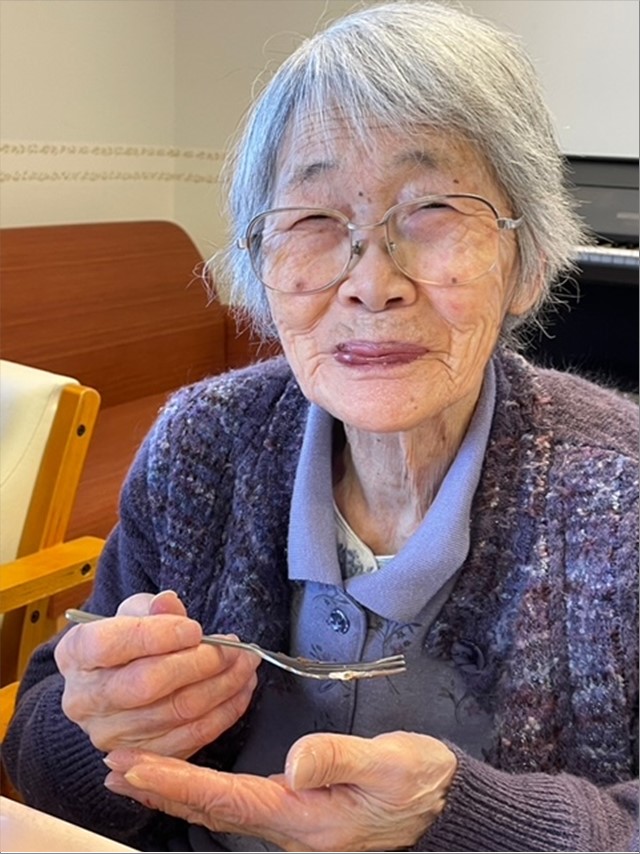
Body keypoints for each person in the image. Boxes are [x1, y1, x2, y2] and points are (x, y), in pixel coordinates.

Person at [2, 1, 637, 851]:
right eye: (312, 220)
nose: (372, 283)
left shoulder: (620, 493)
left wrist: (465, 820)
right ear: (261, 269)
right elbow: (42, 757)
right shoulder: (201, 449)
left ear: (528, 263)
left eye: (434, 210)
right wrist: (100, 726)